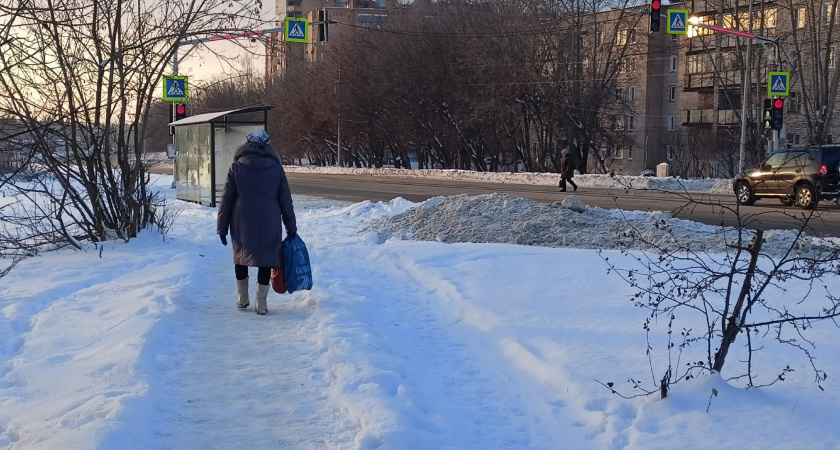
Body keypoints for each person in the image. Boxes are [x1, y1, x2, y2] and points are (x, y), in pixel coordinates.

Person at [217, 130, 297, 315]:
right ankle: (261, 303)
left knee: (241, 257)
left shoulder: (236, 167)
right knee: (266, 259)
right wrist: (291, 227)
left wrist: (222, 227)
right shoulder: (277, 169)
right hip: (270, 219)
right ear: (268, 146)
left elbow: (226, 200)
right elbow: (286, 200)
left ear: (247, 145)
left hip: (242, 220)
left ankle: (242, 297)